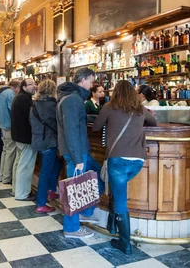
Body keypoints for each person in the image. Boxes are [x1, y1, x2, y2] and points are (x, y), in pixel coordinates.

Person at [93, 80, 157, 254]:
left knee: (120, 199)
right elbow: (154, 123)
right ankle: (113, 226)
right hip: (137, 161)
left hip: (118, 161)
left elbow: (96, 127)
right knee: (118, 191)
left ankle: (125, 243)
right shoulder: (139, 109)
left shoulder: (109, 106)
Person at [57, 67, 104, 239]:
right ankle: (71, 227)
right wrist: (77, 158)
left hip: (79, 150)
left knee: (99, 174)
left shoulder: (71, 97)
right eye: (91, 81)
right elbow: (71, 130)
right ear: (82, 80)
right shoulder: (72, 99)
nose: (92, 85)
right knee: (74, 189)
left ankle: (85, 211)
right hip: (76, 152)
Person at [30, 79, 62, 214]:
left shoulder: (34, 105)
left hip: (38, 140)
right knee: (45, 172)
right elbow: (58, 124)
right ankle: (41, 203)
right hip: (49, 141)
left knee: (57, 163)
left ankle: (50, 190)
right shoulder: (53, 106)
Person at [11, 78, 37, 200]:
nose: (34, 86)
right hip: (25, 136)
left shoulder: (19, 97)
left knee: (19, 164)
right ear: (24, 87)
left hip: (18, 136)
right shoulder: (24, 99)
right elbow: (30, 119)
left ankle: (16, 190)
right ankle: (22, 194)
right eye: (30, 84)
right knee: (25, 166)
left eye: (34, 83)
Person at [0, 80, 21, 183]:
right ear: (16, 87)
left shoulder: (0, 93)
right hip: (10, 126)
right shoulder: (10, 93)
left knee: (6, 151)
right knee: (10, 152)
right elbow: (14, 110)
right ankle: (7, 177)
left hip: (3, 124)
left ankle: (2, 175)